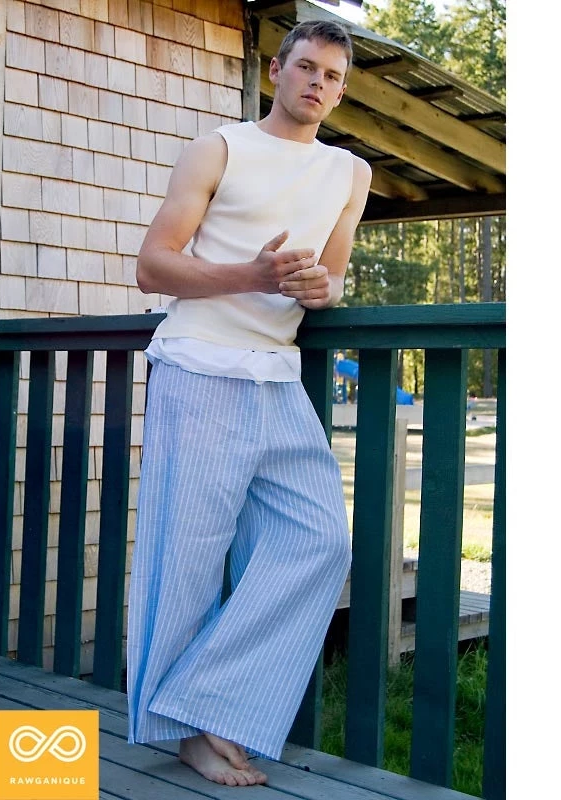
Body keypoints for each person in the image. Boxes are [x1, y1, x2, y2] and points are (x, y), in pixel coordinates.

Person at [125, 20, 372, 787]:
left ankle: (203, 698)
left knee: (320, 540)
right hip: (200, 369)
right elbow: (153, 267)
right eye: (307, 67)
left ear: (340, 90)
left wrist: (319, 288)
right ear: (276, 70)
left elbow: (334, 276)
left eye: (332, 76)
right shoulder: (217, 149)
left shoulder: (350, 173)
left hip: (278, 378)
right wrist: (252, 276)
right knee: (186, 562)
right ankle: (184, 732)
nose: (318, 84)